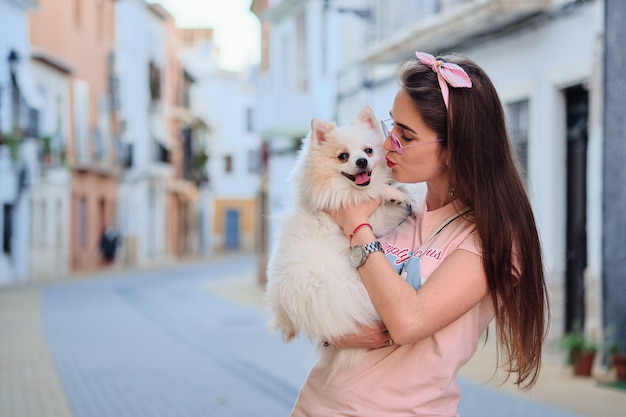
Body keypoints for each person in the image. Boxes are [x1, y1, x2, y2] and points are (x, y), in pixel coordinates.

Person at [290, 51, 550, 416]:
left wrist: (357, 228)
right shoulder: (395, 203)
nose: (387, 143)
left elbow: (408, 321)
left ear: (452, 149)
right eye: (391, 126)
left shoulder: (491, 238)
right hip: (316, 405)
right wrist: (334, 333)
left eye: (406, 135)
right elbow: (325, 288)